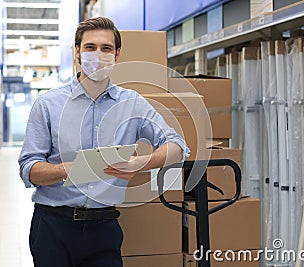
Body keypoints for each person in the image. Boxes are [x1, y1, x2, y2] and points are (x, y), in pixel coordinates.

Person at [18, 17, 189, 267]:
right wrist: (72, 170)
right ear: (77, 51)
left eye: (106, 48)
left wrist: (143, 162)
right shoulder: (48, 104)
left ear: (117, 54)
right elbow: (28, 169)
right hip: (53, 227)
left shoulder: (132, 103)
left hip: (104, 228)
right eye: (90, 47)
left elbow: (178, 146)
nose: (98, 54)